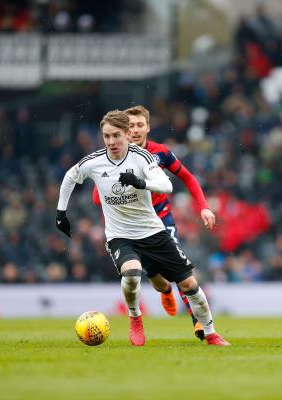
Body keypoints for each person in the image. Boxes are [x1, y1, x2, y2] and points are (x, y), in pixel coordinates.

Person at [56, 110, 230, 346]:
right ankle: (135, 318)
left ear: (130, 133)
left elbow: (167, 184)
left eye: (116, 135)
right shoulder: (93, 161)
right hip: (120, 235)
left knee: (187, 283)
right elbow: (70, 177)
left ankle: (209, 332)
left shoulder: (146, 156)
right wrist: (61, 213)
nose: (111, 141)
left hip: (154, 229)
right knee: (131, 272)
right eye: (106, 136)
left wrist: (141, 183)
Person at [92, 105, 216, 340]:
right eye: (130, 127)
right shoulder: (111, 159)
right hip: (131, 227)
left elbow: (188, 178)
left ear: (148, 127)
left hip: (161, 218)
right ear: (124, 131)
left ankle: (198, 323)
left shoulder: (160, 153)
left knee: (181, 271)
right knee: (159, 282)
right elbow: (98, 198)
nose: (135, 130)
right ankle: (165, 290)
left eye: (140, 125)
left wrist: (204, 207)